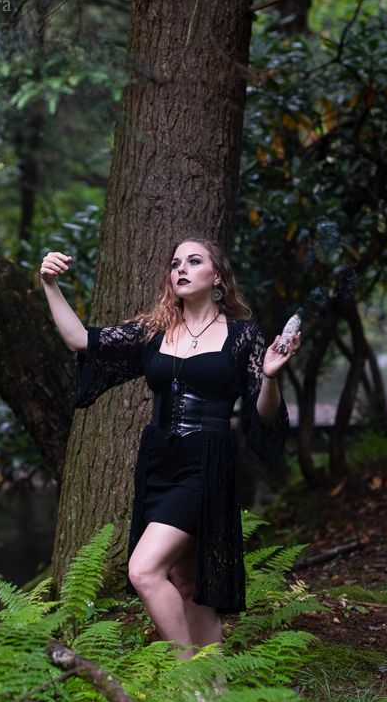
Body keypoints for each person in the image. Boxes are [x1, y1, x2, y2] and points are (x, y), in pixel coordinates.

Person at [40, 238, 299, 658]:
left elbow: (264, 416)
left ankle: (187, 682)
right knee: (188, 585)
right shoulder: (154, 329)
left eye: (194, 261)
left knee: (144, 571)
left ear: (217, 277)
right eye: (175, 263)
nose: (181, 268)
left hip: (206, 461)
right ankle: (216, 695)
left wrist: (269, 376)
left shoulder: (243, 335)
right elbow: (80, 340)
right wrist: (50, 284)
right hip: (158, 460)